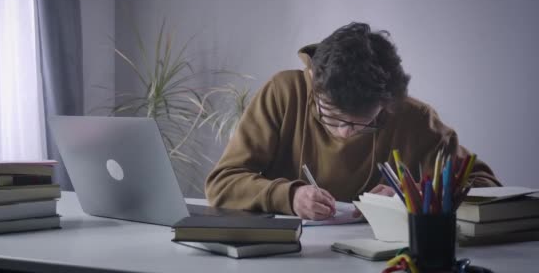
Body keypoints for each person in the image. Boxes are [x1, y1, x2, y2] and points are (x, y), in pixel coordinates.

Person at [205, 22, 500, 220]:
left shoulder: (415, 118)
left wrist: (418, 195)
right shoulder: (284, 93)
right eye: (331, 115)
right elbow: (222, 184)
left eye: (362, 123)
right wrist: (289, 195)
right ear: (313, 81)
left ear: (387, 102)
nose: (344, 133)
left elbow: (488, 187)